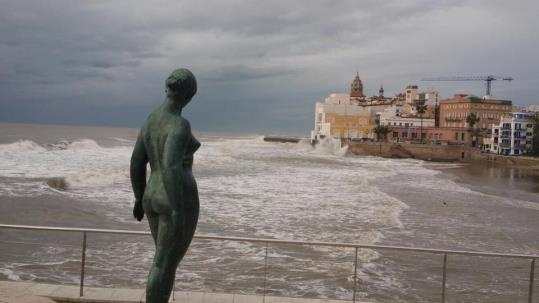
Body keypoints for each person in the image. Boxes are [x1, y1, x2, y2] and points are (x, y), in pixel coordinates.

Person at [130, 68, 200, 303]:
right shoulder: (179, 125)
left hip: (152, 193)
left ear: (166, 88)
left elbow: (136, 163)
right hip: (173, 197)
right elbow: (171, 166)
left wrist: (139, 198)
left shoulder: (150, 121)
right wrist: (178, 208)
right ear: (189, 95)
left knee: (163, 260)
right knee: (164, 264)